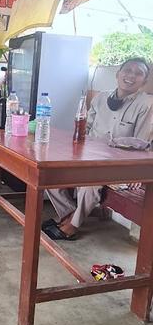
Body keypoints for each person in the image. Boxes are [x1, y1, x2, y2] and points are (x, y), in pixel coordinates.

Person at [44, 57, 153, 240]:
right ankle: (69, 213)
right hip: (89, 157)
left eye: (138, 73)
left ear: (145, 81)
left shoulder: (147, 104)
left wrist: (137, 173)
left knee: (90, 184)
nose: (131, 76)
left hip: (117, 165)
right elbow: (85, 129)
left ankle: (72, 226)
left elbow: (142, 143)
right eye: (128, 70)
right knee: (50, 174)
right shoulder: (101, 97)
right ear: (118, 74)